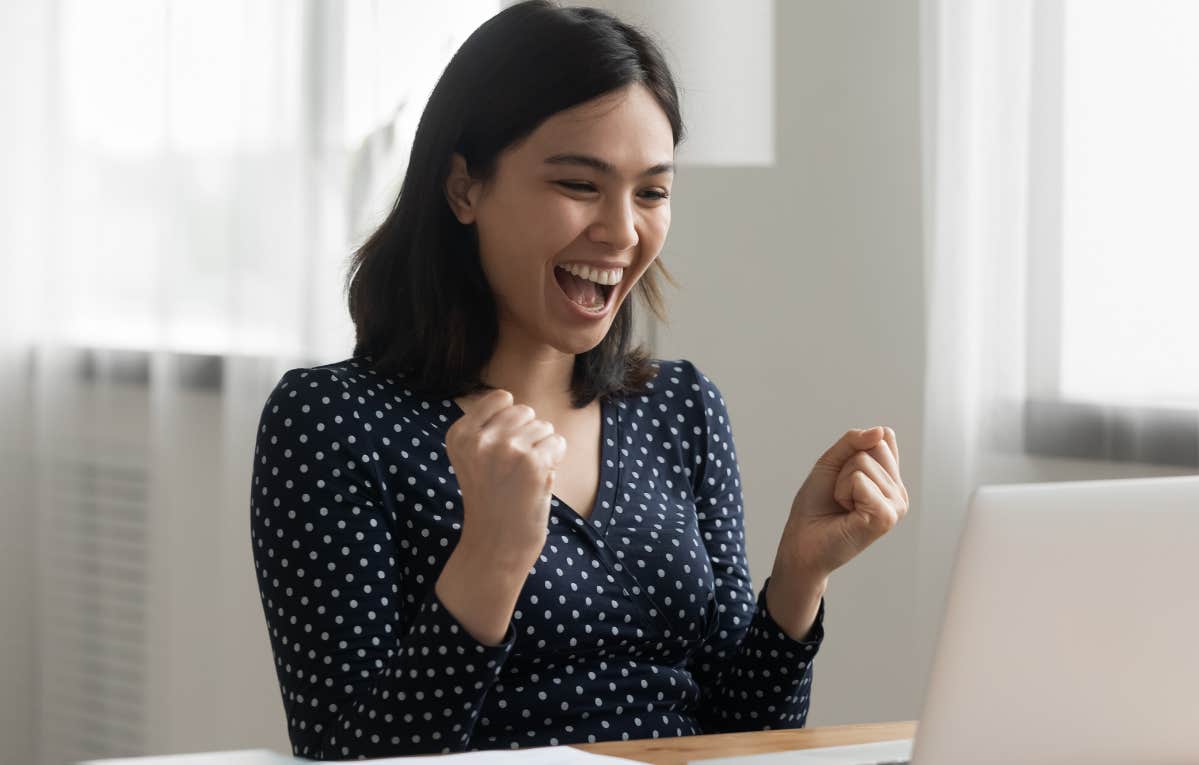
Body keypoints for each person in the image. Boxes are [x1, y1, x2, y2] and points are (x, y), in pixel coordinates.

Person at [248, 1, 909, 759]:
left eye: (652, 192)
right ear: (464, 187)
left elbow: (741, 730)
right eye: (578, 184)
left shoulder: (680, 406)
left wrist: (799, 574)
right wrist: (490, 558)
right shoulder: (332, 422)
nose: (623, 231)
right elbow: (347, 754)